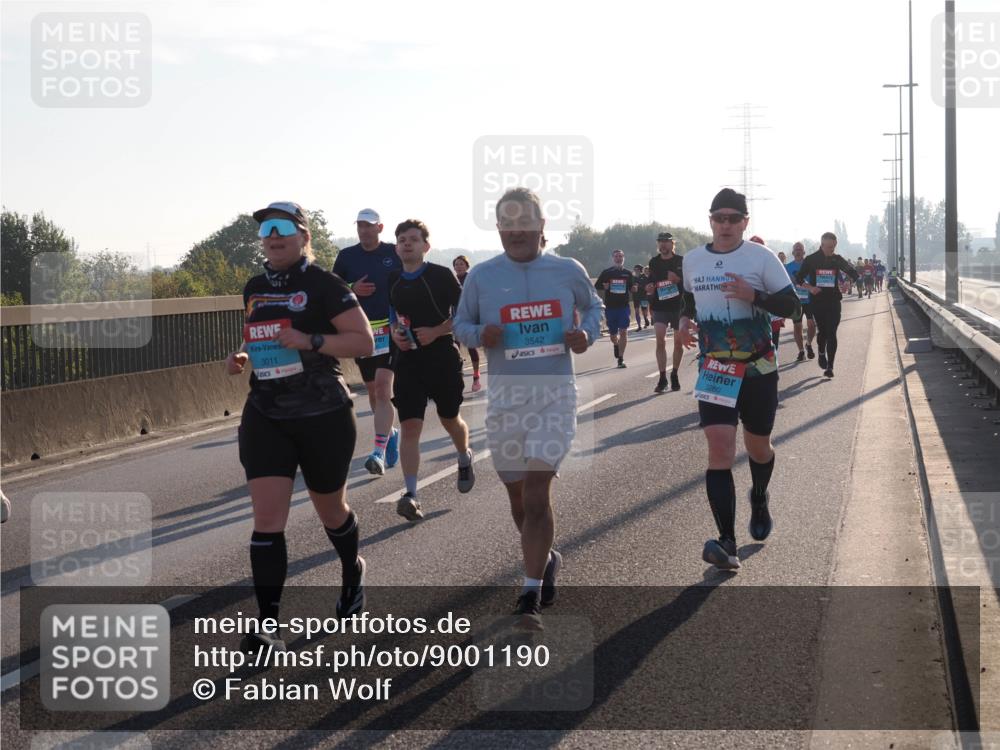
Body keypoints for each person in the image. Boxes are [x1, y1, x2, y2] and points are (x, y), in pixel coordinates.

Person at [227, 201, 375, 650]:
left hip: (322, 413)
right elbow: (262, 335)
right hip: (267, 412)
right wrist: (244, 355)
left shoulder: (324, 284)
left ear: (303, 236)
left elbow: (363, 342)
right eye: (266, 230)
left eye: (282, 228)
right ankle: (268, 623)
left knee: (331, 512)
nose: (272, 236)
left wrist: (311, 340)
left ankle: (353, 572)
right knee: (267, 520)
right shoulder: (254, 286)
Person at [453, 187, 603, 629]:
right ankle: (545, 558)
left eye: (525, 223)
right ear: (499, 228)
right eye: (507, 223)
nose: (516, 231)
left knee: (537, 492)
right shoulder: (481, 276)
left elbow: (592, 308)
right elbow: (460, 324)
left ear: (541, 227)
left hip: (554, 393)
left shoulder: (566, 270)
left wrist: (586, 334)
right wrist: (481, 334)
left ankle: (529, 595)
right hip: (505, 400)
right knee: (517, 496)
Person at [677, 188, 800, 571]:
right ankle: (726, 542)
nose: (726, 224)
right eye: (719, 218)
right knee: (720, 449)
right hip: (714, 368)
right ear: (710, 220)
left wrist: (754, 295)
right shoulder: (694, 260)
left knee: (758, 447)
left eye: (733, 218)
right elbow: (687, 298)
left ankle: (759, 495)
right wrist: (683, 322)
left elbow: (793, 306)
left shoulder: (760, 258)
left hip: (759, 367)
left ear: (746, 222)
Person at [389, 220, 475, 521]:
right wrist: (395, 334)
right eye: (401, 239)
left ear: (426, 246)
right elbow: (392, 317)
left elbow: (465, 313)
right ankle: (411, 494)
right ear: (397, 246)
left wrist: (437, 331)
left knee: (449, 417)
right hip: (409, 361)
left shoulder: (441, 276)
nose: (407, 244)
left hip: (441, 357)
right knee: (410, 426)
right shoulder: (393, 280)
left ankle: (464, 455)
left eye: (413, 239)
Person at [332, 209, 402, 476]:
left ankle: (378, 452)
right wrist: (352, 288)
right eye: (360, 226)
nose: (364, 230)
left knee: (384, 390)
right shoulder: (347, 256)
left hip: (390, 330)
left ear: (380, 228)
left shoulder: (393, 252)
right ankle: (390, 432)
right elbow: (331, 289)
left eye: (369, 226)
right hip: (363, 335)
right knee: (374, 393)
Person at [794, 232, 860, 378]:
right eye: (829, 247)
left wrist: (848, 283)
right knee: (822, 332)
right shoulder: (811, 259)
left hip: (834, 301)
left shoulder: (837, 259)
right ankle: (821, 353)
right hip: (817, 302)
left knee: (832, 333)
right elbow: (798, 278)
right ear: (822, 244)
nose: (832, 250)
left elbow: (854, 273)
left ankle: (830, 366)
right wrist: (810, 288)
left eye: (834, 247)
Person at [646, 231, 686, 392]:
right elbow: (651, 282)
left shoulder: (681, 261)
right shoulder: (653, 262)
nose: (663, 244)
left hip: (678, 307)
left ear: (672, 244)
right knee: (660, 340)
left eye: (666, 241)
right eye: (660, 241)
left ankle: (674, 373)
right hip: (660, 306)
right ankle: (662, 377)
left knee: (678, 343)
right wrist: (648, 287)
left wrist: (678, 280)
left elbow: (689, 284)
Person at [594, 249, 635, 368]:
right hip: (611, 307)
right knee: (613, 334)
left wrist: (634, 289)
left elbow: (632, 287)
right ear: (613, 258)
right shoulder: (607, 272)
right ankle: (616, 345)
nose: (619, 258)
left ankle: (621, 359)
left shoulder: (628, 273)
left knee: (623, 331)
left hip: (623, 307)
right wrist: (604, 286)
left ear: (624, 258)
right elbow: (597, 285)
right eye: (616, 256)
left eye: (621, 256)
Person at [453, 255, 481, 392]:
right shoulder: (451, 279)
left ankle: (476, 376)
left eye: (461, 264)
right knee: (455, 349)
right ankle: (458, 377)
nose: (459, 267)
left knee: (471, 347)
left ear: (466, 266)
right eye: (456, 264)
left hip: (470, 317)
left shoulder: (472, 279)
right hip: (455, 318)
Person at [784, 242, 816, 361]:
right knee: (797, 326)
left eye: (800, 249)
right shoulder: (787, 267)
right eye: (796, 249)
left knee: (811, 324)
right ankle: (801, 351)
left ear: (804, 252)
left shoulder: (810, 265)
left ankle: (808, 343)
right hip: (796, 301)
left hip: (809, 300)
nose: (798, 251)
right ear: (793, 253)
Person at [631, 263, 650, 331]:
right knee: (636, 311)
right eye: (635, 269)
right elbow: (630, 286)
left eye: (637, 269)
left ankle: (645, 319)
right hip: (635, 296)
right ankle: (639, 326)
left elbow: (646, 287)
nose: (636, 271)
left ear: (640, 270)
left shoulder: (644, 277)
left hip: (643, 296)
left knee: (644, 310)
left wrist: (639, 286)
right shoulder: (632, 278)